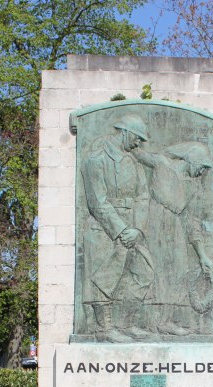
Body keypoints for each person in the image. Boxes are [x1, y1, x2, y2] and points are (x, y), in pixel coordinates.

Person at [78, 114, 156, 342]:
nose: (138, 144)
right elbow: (97, 201)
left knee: (145, 272)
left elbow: (144, 197)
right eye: (137, 138)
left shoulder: (133, 162)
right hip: (105, 230)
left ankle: (127, 324)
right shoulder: (96, 160)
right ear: (125, 132)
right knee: (104, 279)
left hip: (132, 229)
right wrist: (122, 230)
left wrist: (138, 229)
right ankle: (104, 329)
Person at [133, 140, 213, 336]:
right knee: (154, 273)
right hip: (154, 224)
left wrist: (202, 255)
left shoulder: (194, 187)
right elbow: (138, 154)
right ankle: (146, 322)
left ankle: (166, 321)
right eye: (202, 166)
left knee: (178, 273)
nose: (202, 172)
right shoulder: (163, 164)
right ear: (192, 160)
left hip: (176, 229)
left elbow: (192, 221)